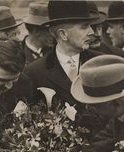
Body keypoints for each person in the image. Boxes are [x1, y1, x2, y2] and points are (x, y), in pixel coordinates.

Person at [15, 0, 105, 130]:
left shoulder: (101, 64)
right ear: (63, 34)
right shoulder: (33, 73)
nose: (92, 32)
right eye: (84, 26)